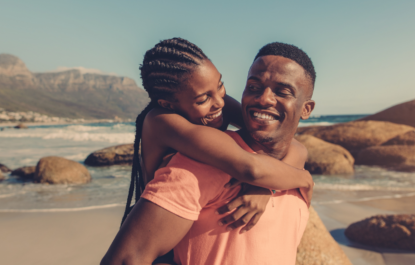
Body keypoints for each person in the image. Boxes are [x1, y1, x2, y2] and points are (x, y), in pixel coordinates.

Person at [102, 41, 316, 265]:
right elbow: (249, 167)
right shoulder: (164, 123)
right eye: (203, 99)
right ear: (168, 104)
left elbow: (283, 136)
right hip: (163, 225)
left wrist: (272, 183)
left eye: (221, 86)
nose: (220, 102)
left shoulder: (214, 102)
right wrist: (303, 179)